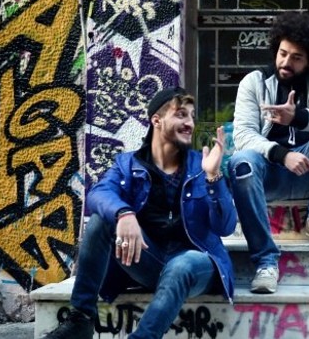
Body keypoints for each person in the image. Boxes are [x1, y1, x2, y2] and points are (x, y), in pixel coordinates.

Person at [44, 87, 237, 339]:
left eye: (191, 116)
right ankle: (81, 319)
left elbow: (225, 227)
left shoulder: (202, 167)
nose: (189, 122)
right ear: (156, 120)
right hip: (149, 260)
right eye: (180, 114)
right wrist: (124, 214)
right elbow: (98, 195)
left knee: (181, 265)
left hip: (196, 265)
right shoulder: (127, 164)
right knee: (102, 220)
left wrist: (213, 177)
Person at [229, 11, 309, 294]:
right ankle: (266, 261)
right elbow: (242, 136)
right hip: (270, 176)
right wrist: (280, 154)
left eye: (296, 57)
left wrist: (297, 118)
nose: (286, 62)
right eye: (282, 53)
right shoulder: (253, 82)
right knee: (241, 161)